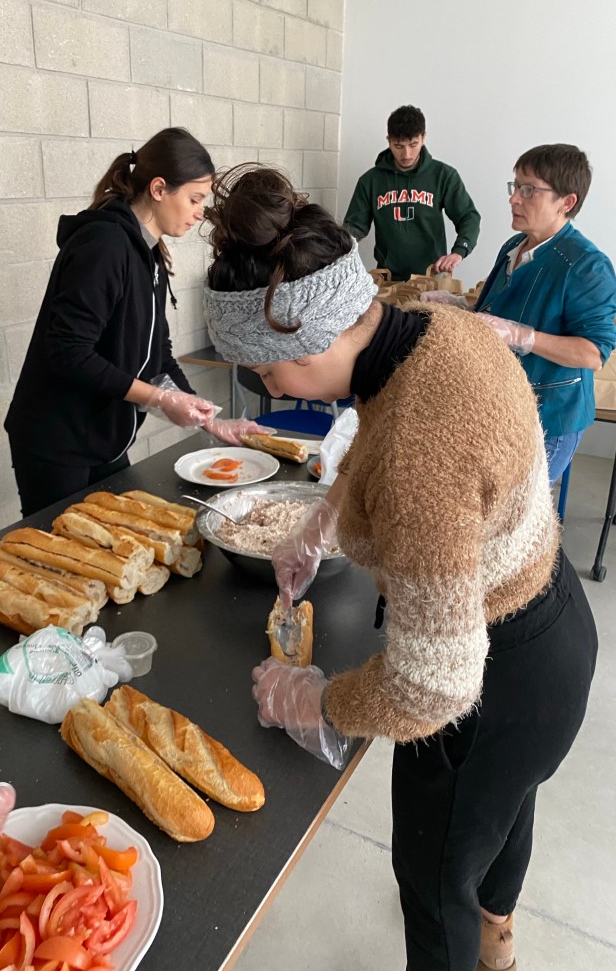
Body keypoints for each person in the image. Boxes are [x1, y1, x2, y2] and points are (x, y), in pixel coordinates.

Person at [203, 163, 598, 971]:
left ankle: (471, 944)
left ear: (315, 338)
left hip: (495, 681)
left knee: (433, 876)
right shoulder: (435, 329)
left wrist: (319, 701)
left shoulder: (420, 462)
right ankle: (498, 943)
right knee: (502, 815)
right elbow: (383, 421)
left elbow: (432, 687)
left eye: (267, 368)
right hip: (553, 626)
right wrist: (322, 520)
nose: (266, 384)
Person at [4, 127, 263, 516]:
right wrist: (158, 398)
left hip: (103, 437)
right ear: (159, 189)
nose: (200, 213)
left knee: (121, 529)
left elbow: (158, 354)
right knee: (63, 546)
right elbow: (68, 352)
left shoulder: (149, 253)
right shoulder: (104, 246)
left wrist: (211, 421)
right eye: (194, 199)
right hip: (57, 441)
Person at [471, 144, 616, 483]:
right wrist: (460, 308)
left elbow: (593, 353)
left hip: (548, 418)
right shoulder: (514, 246)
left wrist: (524, 337)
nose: (514, 199)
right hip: (503, 404)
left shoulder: (587, 266)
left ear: (567, 202)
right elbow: (497, 314)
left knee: (517, 509)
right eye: (515, 186)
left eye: (529, 190)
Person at [343, 104, 480, 280]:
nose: (406, 154)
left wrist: (459, 251)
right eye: (398, 146)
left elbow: (468, 217)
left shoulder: (443, 175)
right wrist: (333, 251)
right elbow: (354, 228)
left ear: (423, 138)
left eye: (413, 144)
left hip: (432, 276)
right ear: (388, 141)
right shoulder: (370, 181)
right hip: (388, 278)